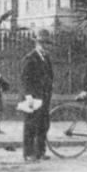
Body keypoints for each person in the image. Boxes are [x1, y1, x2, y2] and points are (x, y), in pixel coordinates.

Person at [19, 29, 54, 161]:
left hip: (44, 97)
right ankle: (28, 153)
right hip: (32, 97)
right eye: (41, 43)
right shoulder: (30, 58)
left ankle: (40, 151)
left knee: (43, 124)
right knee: (31, 125)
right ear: (36, 44)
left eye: (46, 43)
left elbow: (50, 76)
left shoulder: (46, 57)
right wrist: (28, 95)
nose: (44, 45)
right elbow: (25, 78)